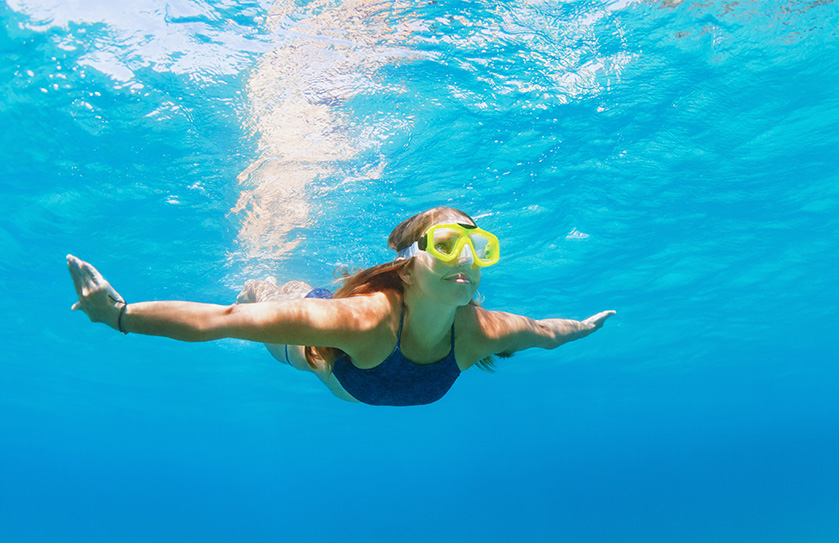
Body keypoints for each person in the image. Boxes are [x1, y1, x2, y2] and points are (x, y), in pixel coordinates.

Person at [67, 207, 616, 406]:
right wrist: (118, 315)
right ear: (408, 262)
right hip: (321, 353)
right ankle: (264, 282)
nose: (467, 258)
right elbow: (222, 322)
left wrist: (582, 329)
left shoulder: (481, 331)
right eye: (449, 244)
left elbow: (545, 331)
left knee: (315, 294)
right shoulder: (362, 321)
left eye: (480, 248)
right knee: (264, 302)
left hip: (352, 326)